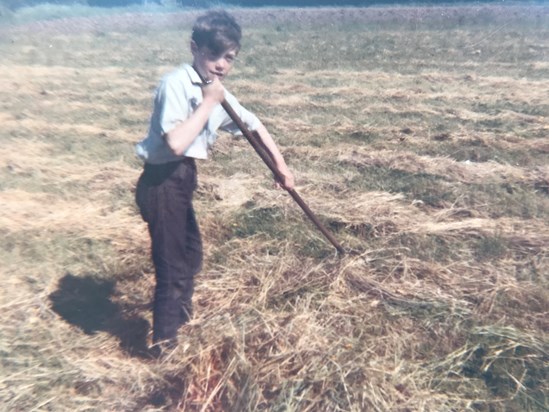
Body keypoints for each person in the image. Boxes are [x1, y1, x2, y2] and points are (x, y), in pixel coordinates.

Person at [135, 10, 294, 354]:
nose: (221, 65)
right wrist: (208, 103)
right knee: (172, 265)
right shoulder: (177, 84)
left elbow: (253, 125)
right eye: (214, 54)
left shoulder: (215, 91)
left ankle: (183, 322)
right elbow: (176, 143)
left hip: (182, 180)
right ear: (195, 48)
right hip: (161, 182)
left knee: (190, 256)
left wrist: (279, 167)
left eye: (229, 58)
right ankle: (165, 347)